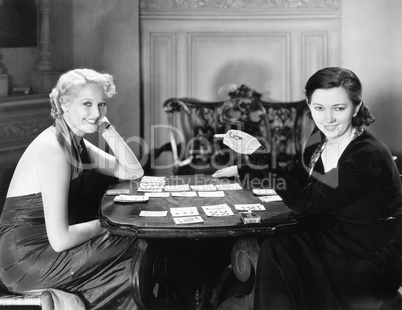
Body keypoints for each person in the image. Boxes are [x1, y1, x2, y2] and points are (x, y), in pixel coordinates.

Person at [212, 67, 402, 309]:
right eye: (319, 108)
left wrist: (258, 153)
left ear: (356, 107)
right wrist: (245, 169)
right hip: (332, 236)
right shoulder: (320, 136)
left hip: (365, 257)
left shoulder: (367, 155)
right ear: (309, 105)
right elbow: (295, 176)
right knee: (275, 244)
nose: (328, 118)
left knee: (277, 249)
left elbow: (303, 201)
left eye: (339, 108)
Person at [0, 68, 144, 309]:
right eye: (87, 104)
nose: (96, 112)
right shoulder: (53, 149)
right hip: (26, 260)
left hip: (47, 248)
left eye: (102, 104)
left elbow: (133, 171)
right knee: (133, 245)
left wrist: (106, 128)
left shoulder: (76, 142)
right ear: (65, 104)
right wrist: (111, 223)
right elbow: (60, 239)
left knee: (134, 250)